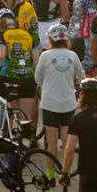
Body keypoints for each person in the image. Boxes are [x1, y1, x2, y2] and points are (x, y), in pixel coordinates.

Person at [34, 23, 83, 170]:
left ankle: (50, 174)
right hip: (68, 102)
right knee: (67, 141)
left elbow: (37, 79)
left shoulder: (45, 55)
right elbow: (82, 77)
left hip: (49, 103)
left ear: (50, 39)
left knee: (52, 141)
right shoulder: (73, 55)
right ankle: (66, 173)